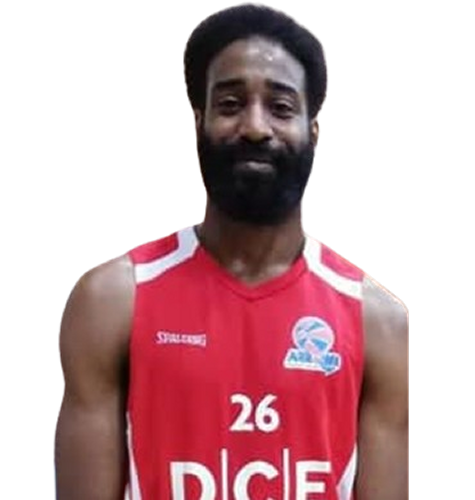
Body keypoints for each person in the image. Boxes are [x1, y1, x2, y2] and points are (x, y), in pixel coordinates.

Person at [53, 2, 409, 499]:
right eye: (230, 104)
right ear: (198, 122)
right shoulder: (111, 301)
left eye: (280, 107)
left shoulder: (381, 323)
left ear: (314, 132)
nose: (256, 127)